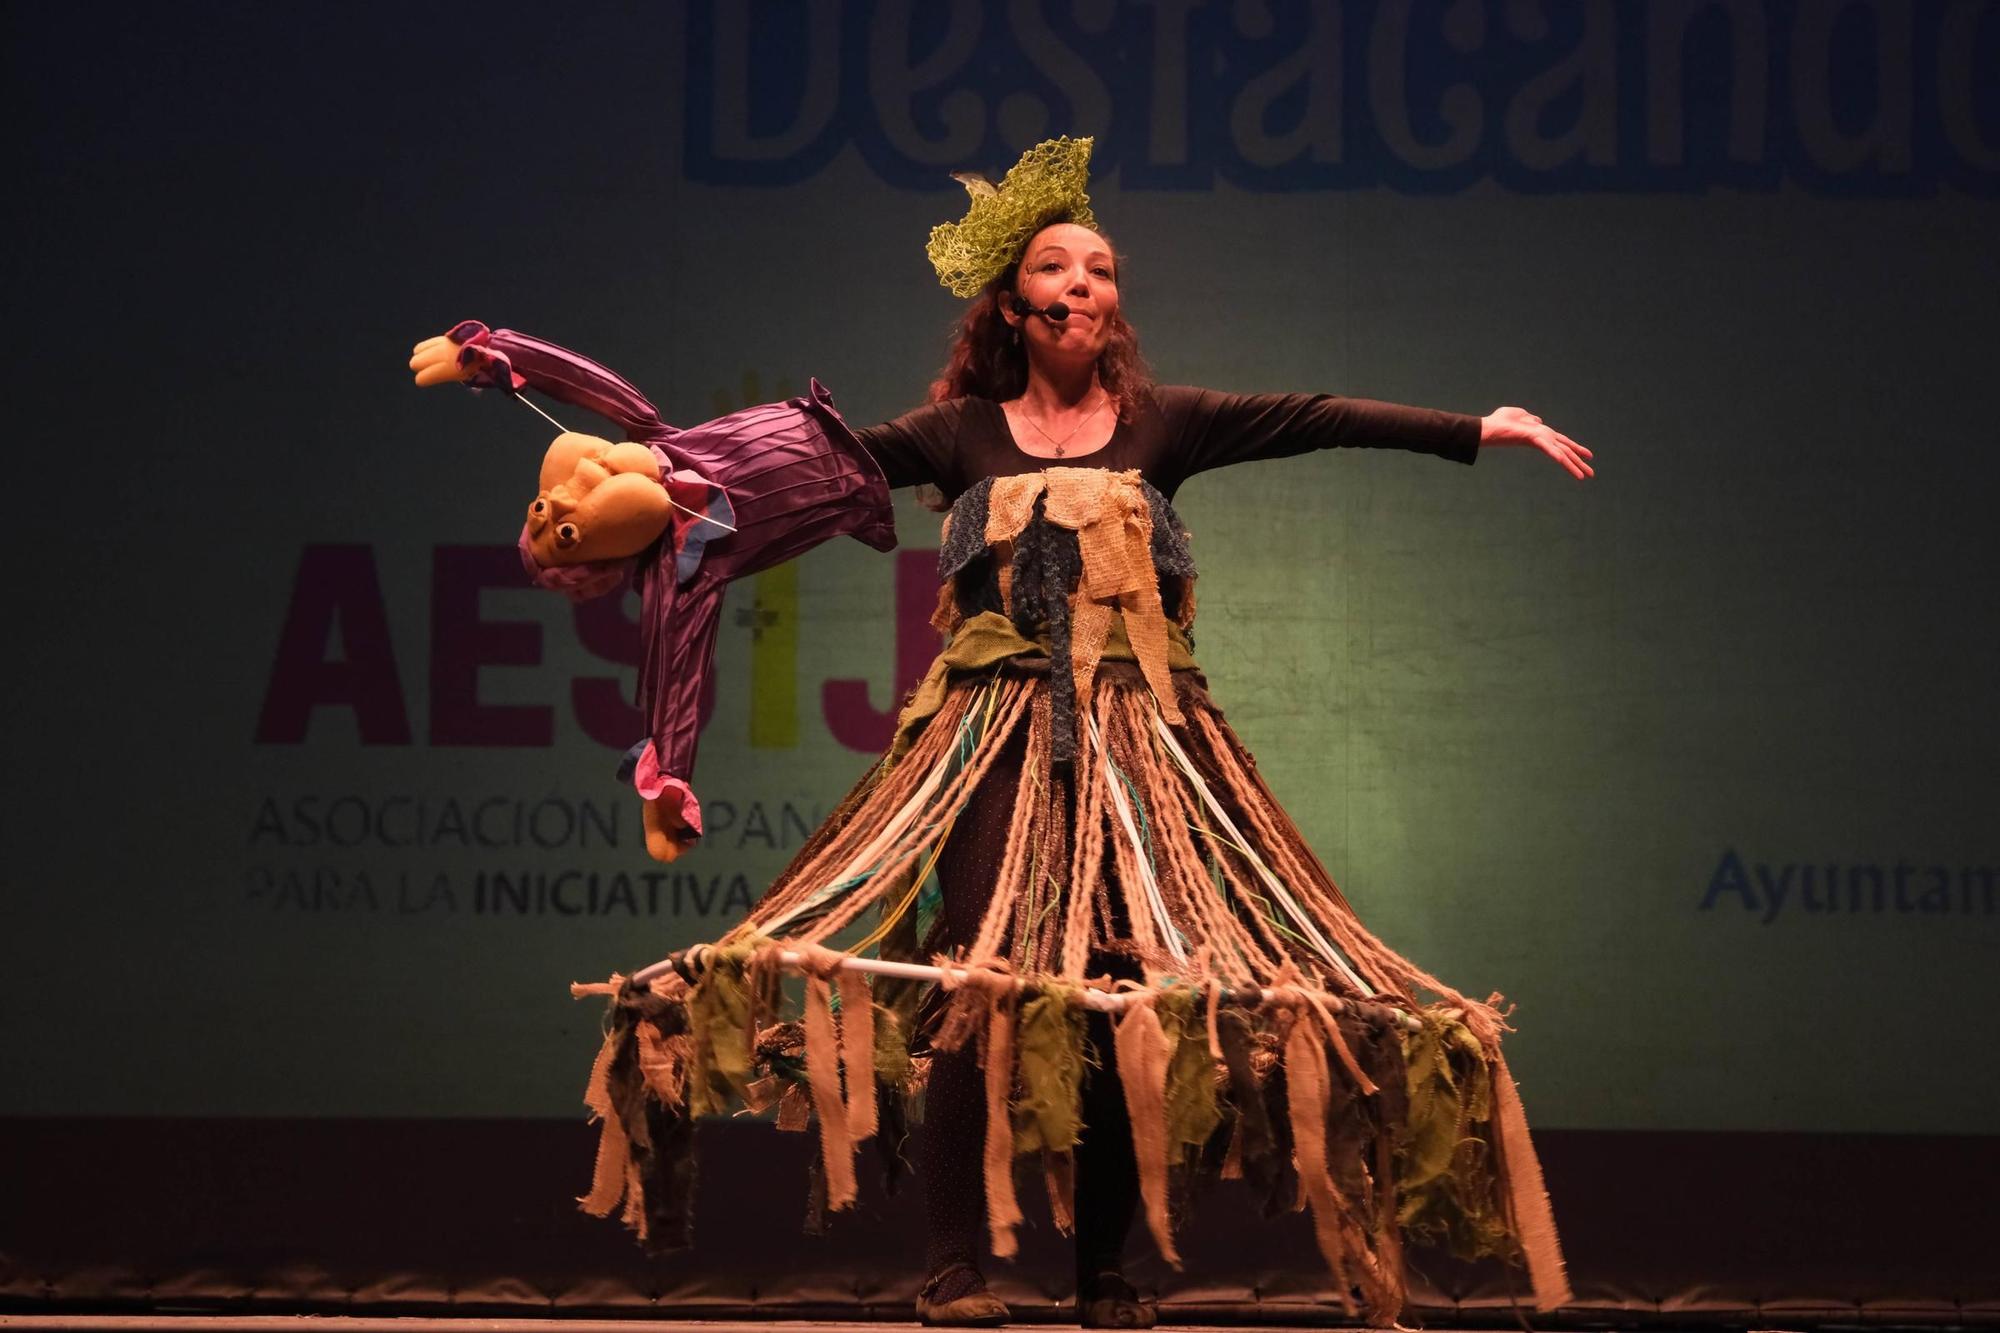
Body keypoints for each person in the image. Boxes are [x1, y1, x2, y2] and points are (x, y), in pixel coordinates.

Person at [411, 135, 1587, 1330]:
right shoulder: (958, 434)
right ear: (1014, 307)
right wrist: (629, 466)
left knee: (1121, 999)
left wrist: (1470, 429)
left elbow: (1312, 417)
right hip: (989, 740)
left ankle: (1105, 1272)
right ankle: (952, 1264)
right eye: (1058, 269)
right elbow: (796, 474)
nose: (1083, 284)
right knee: (972, 985)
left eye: (1101, 271)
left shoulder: (1160, 424)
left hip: (1140, 749)